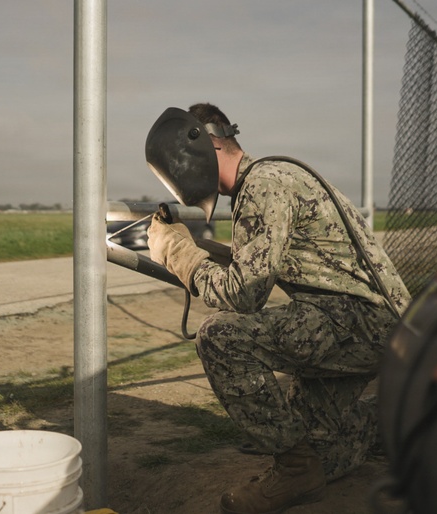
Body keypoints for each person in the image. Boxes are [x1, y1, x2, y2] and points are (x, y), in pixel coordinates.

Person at [145, 103, 411, 514]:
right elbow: (256, 265)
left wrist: (181, 254)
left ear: (208, 146)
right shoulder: (272, 178)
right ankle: (389, 423)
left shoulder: (264, 185)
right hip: (367, 325)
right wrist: (195, 251)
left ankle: (293, 470)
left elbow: (243, 293)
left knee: (222, 337)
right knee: (324, 455)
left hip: (358, 322)